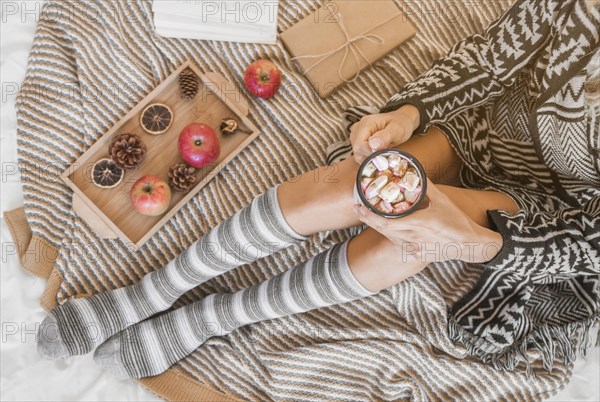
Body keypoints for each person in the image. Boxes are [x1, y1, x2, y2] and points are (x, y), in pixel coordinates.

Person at [37, 0, 598, 379]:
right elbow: (495, 56)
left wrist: (486, 246)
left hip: (556, 214)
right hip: (483, 130)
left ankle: (220, 315)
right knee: (364, 183)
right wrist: (408, 113)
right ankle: (157, 290)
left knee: (414, 237)